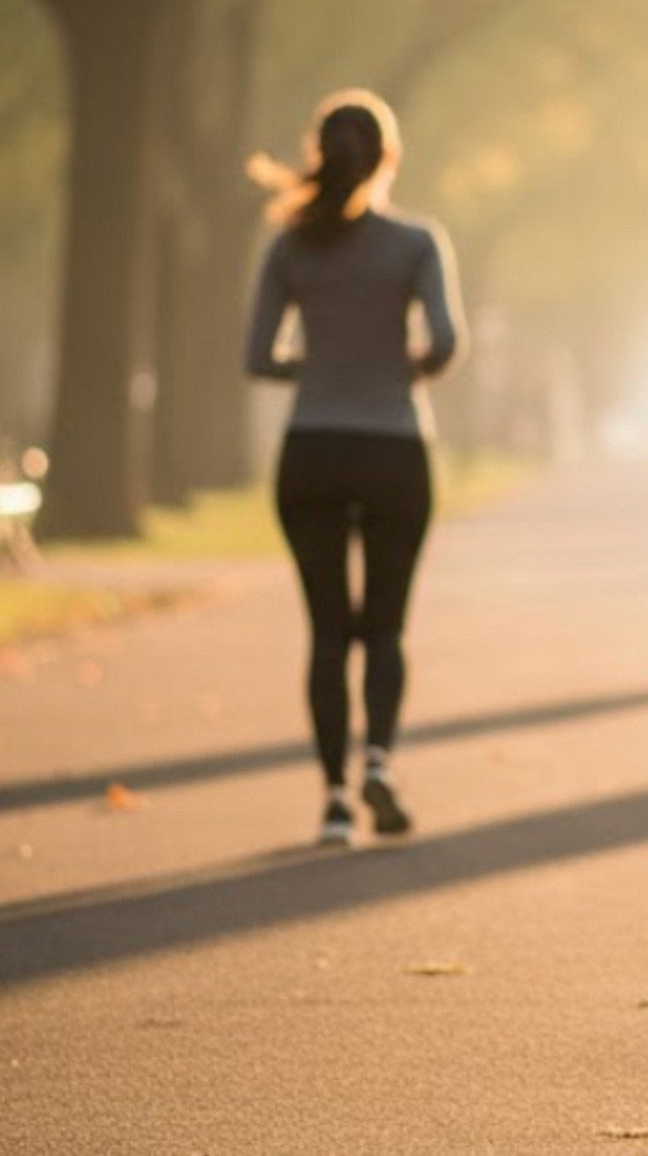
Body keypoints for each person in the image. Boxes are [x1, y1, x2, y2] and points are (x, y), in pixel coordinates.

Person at [247, 90, 464, 848]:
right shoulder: (416, 244)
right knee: (385, 627)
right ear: (386, 159)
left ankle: (335, 800)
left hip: (312, 449)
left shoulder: (291, 248)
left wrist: (320, 364)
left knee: (327, 633)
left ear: (319, 155)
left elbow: (257, 357)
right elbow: (444, 343)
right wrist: (392, 362)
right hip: (393, 450)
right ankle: (379, 761)